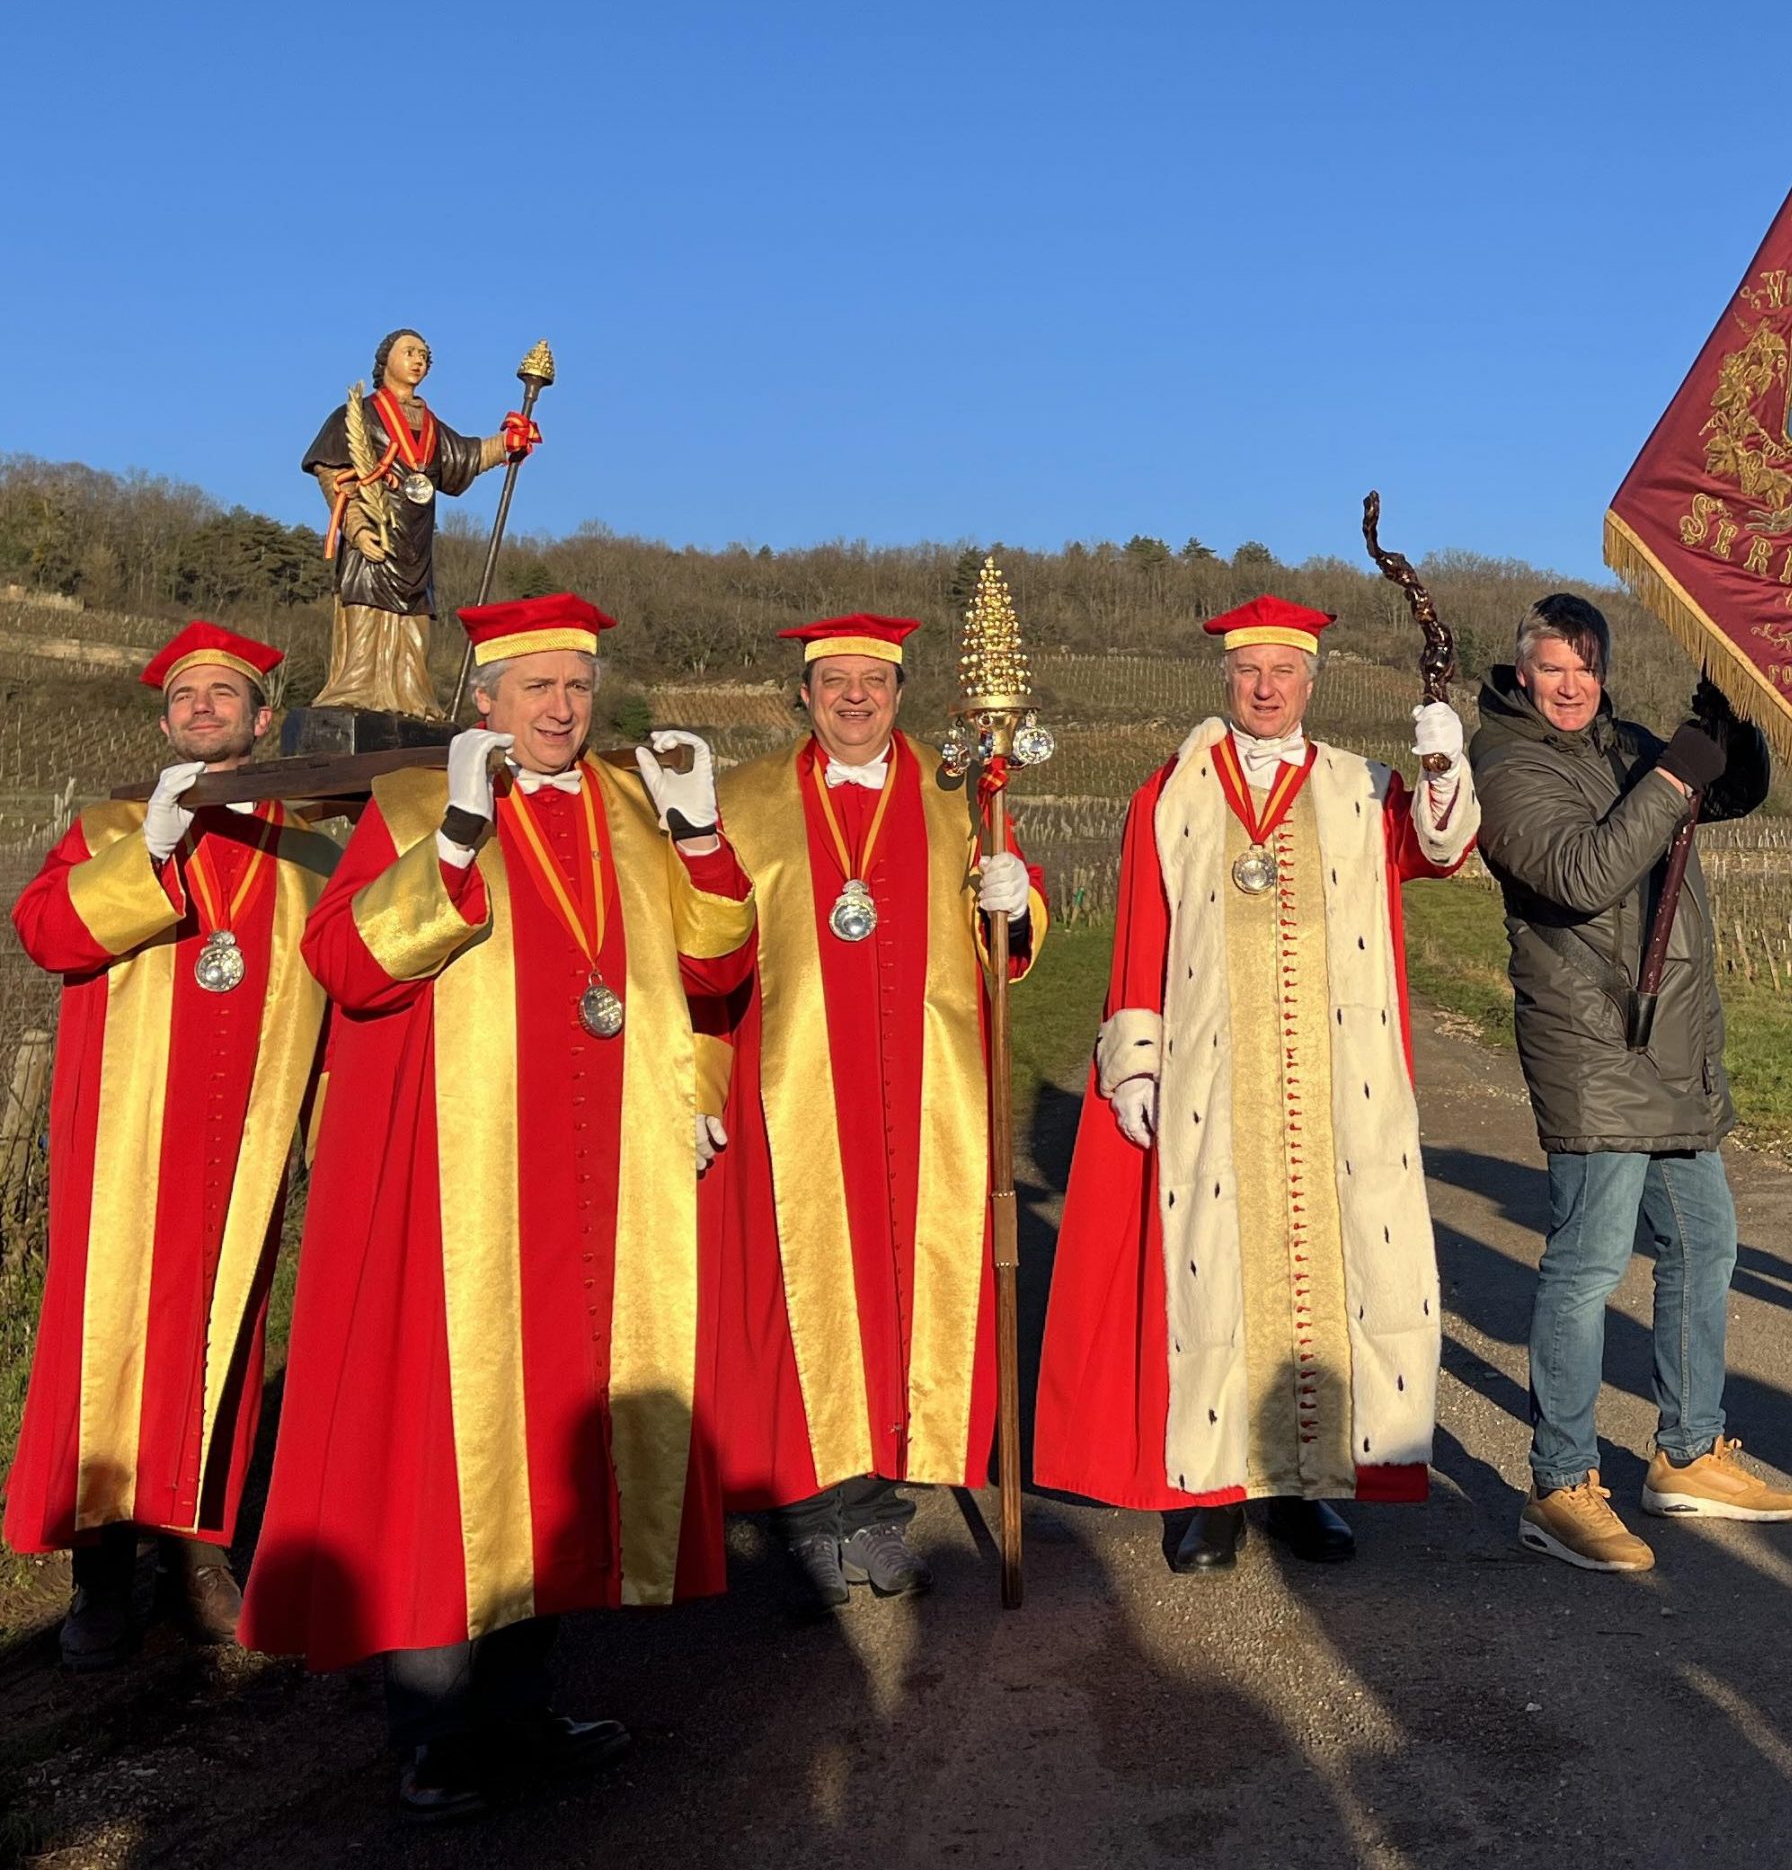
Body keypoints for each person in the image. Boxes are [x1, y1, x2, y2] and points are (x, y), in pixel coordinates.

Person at [237, 593, 755, 1823]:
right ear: (484, 702)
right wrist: (459, 841)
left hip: (598, 1176)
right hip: (462, 1180)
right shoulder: (421, 808)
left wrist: (697, 842)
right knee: (445, 1442)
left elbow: (720, 965)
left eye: (577, 689)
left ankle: (523, 1702)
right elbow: (346, 967)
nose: (561, 712)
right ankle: (433, 1728)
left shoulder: (635, 812)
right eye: (535, 691)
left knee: (557, 1441)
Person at [1037, 594, 1478, 1570]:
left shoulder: (1364, 787)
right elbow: (1140, 936)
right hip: (1212, 1081)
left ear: (1311, 683)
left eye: (1283, 672)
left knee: (1324, 1279)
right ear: (1225, 681)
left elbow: (1442, 851)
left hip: (1334, 1085)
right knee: (1213, 1276)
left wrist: (1444, 764)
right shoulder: (1171, 794)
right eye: (1248, 673)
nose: (1265, 689)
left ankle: (1303, 1488)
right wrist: (1136, 1064)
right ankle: (1212, 1493)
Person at [700, 612, 1045, 1612]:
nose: (855, 696)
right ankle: (813, 1505)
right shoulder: (746, 799)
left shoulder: (958, 798)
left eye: (875, 681)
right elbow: (700, 945)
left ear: (900, 693)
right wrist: (698, 1075)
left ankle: (878, 1495)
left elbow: (1007, 945)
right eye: (834, 680)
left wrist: (1015, 904)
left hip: (921, 1085)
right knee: (802, 1290)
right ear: (803, 694)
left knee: (903, 1290)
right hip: (792, 1085)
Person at [5, 624, 333, 1667]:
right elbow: (48, 934)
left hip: (244, 1144)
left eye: (224, 695)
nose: (203, 707)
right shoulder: (110, 825)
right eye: (187, 695)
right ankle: (101, 1573)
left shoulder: (308, 843)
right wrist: (145, 854)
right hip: (124, 1141)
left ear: (261, 718)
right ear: (163, 718)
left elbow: (341, 996)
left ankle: (199, 1549)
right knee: (104, 1347)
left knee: (224, 1338)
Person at [1469, 594, 1792, 1574]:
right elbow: (1581, 873)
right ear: (1522, 670)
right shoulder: (1506, 764)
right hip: (1593, 1046)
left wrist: (1726, 723)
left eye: (1585, 666)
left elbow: (1724, 796)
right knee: (1587, 1269)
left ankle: (1688, 1453)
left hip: (1669, 1043)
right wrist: (1670, 773)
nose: (1571, 685)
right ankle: (1559, 1483)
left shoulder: (1624, 745)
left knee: (1706, 1243)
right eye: (1553, 668)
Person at [300, 328, 539, 716]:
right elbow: (332, 474)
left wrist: (507, 444)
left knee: (414, 627)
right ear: (385, 361)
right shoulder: (356, 415)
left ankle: (411, 700)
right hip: (373, 533)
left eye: (425, 355)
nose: (418, 360)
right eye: (409, 352)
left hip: (416, 538)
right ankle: (357, 692)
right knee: (366, 616)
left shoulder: (429, 423)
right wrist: (357, 529)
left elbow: (464, 456)